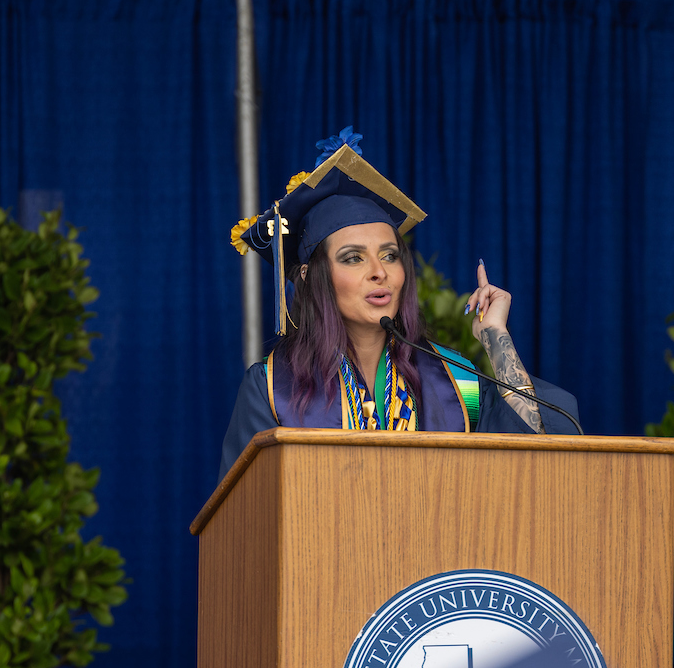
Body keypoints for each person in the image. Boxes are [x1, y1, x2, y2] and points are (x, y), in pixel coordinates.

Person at [220, 129, 579, 480]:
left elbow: (537, 458)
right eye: (352, 258)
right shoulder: (271, 387)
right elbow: (247, 514)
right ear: (311, 276)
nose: (379, 272)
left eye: (389, 255)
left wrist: (495, 336)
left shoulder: (457, 380)